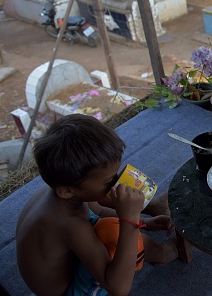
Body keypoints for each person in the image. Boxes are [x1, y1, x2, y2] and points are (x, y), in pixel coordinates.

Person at [16, 114, 178, 295]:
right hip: (68, 290)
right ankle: (162, 253)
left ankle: (154, 242)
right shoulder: (71, 224)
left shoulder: (67, 190)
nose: (117, 183)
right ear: (67, 191)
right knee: (116, 234)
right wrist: (130, 221)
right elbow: (118, 288)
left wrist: (145, 223)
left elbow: (98, 210)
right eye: (109, 180)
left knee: (110, 225)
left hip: (65, 254)